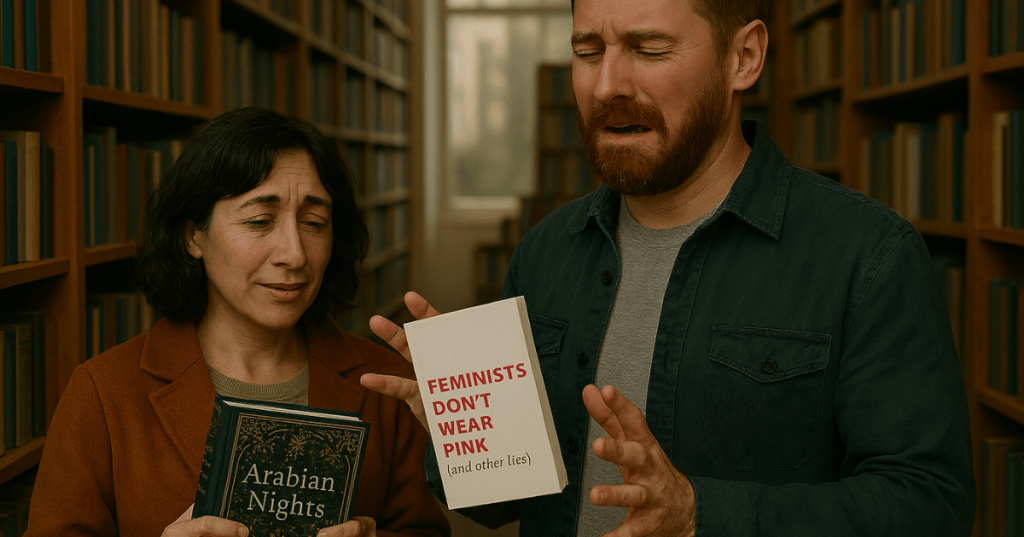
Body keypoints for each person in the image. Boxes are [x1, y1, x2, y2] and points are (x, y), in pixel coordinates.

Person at [361, 0, 976, 535]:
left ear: (745, 58)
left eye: (648, 49)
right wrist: (464, 437)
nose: (607, 86)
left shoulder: (868, 256)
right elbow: (512, 505)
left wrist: (698, 515)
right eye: (587, 50)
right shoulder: (545, 254)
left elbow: (931, 507)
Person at [24, 107, 451, 537]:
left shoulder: (386, 385)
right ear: (194, 236)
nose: (295, 254)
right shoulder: (103, 392)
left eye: (314, 222)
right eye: (260, 222)